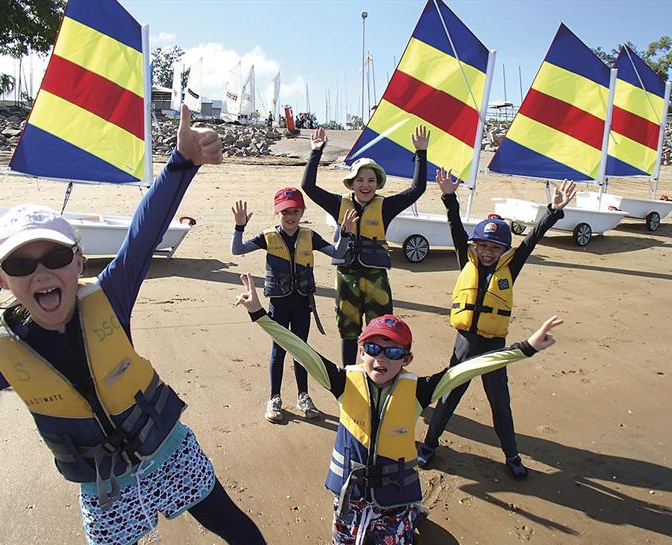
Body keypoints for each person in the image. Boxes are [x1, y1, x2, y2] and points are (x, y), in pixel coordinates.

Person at [0, 106, 296, 545]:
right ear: (0, 279)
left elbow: (142, 237)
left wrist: (180, 163)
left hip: (167, 450)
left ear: (78, 260)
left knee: (227, 521)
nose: (41, 273)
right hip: (104, 487)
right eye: (20, 263)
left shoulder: (109, 295)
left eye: (56, 257)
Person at [234, 272, 562, 545]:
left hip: (394, 498)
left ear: (406, 359)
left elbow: (467, 368)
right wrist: (258, 314)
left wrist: (525, 348)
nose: (381, 358)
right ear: (361, 352)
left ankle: (408, 522)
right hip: (352, 497)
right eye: (373, 349)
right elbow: (299, 348)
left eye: (392, 352)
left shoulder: (418, 390)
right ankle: (382, 533)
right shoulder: (341, 381)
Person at [417, 169, 576, 479]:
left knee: (500, 405)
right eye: (483, 247)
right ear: (475, 247)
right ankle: (430, 445)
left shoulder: (511, 266)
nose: (487, 252)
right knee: (448, 398)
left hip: (493, 347)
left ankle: (512, 455)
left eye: (494, 248)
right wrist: (449, 196)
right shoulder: (467, 259)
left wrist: (553, 211)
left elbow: (531, 240)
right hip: (464, 345)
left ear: (504, 251)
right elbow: (456, 227)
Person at [301, 126, 428, 365]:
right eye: (360, 180)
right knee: (348, 332)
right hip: (346, 276)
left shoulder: (386, 207)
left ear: (378, 184)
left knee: (380, 332)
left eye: (371, 180)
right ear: (351, 183)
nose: (365, 185)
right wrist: (316, 152)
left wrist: (420, 153)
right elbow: (308, 187)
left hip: (375, 277)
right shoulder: (339, 204)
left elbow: (416, 189)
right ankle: (350, 375)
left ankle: (377, 372)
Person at [230, 188, 356, 423]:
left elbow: (338, 253)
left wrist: (345, 233)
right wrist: (239, 227)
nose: (290, 216)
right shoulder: (268, 236)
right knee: (278, 351)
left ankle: (303, 396)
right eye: (285, 211)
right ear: (277, 213)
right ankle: (274, 398)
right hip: (278, 303)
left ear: (302, 212)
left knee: (301, 350)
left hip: (301, 303)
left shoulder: (310, 236)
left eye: (295, 211)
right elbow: (237, 250)